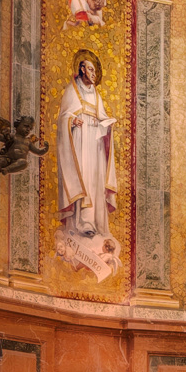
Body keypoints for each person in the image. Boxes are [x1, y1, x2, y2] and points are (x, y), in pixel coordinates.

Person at [56, 50, 119, 244]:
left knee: (96, 181)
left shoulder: (97, 95)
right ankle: (83, 223)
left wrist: (108, 125)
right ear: (82, 69)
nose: (93, 74)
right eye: (90, 69)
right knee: (83, 178)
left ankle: (98, 223)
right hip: (80, 143)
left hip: (96, 144)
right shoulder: (72, 90)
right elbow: (63, 118)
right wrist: (73, 122)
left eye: (94, 70)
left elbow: (101, 116)